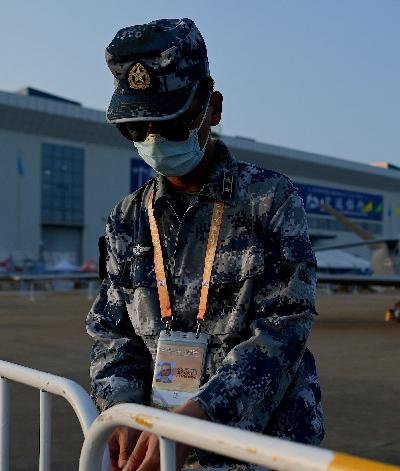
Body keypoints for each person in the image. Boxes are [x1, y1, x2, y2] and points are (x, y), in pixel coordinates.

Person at [86, 18, 324, 470]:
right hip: (157, 449)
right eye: (136, 129)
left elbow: (284, 330)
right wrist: (121, 412)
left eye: (171, 124)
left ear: (211, 109)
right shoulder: (127, 218)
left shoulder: (269, 201)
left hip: (256, 449)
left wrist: (199, 419)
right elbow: (111, 331)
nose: (154, 140)